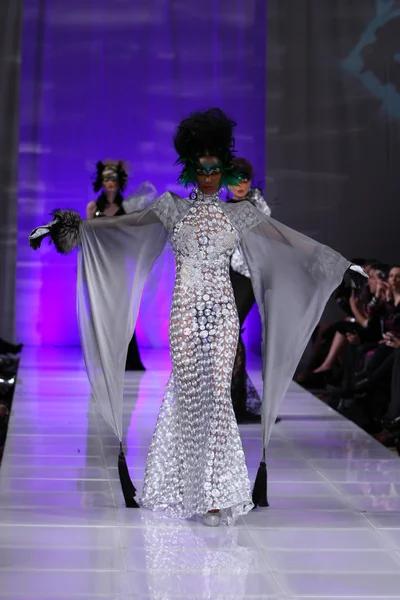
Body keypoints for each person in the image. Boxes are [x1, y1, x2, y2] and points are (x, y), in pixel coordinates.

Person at [28, 108, 366, 526]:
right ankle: (183, 485)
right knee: (188, 393)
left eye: (215, 168)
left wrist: (340, 266)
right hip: (185, 313)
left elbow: (290, 242)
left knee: (217, 396)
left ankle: (214, 492)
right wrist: (69, 228)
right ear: (190, 168)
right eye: (201, 168)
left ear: (222, 170)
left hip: (222, 314)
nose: (208, 176)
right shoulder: (171, 209)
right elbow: (122, 227)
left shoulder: (240, 215)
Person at [87, 160, 157, 370]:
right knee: (101, 310)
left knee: (121, 310)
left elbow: (131, 237)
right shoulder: (93, 207)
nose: (110, 182)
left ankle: (127, 359)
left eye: (113, 178)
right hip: (99, 264)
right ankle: (104, 358)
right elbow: (88, 237)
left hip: (118, 264)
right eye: (106, 178)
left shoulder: (126, 207)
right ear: (101, 180)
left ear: (119, 182)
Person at [226, 158, 272, 423]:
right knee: (229, 333)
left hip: (247, 274)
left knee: (232, 330)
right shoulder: (221, 205)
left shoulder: (258, 204)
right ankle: (233, 398)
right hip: (225, 273)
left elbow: (267, 236)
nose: (240, 184)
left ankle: (237, 401)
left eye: (244, 179)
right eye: (235, 179)